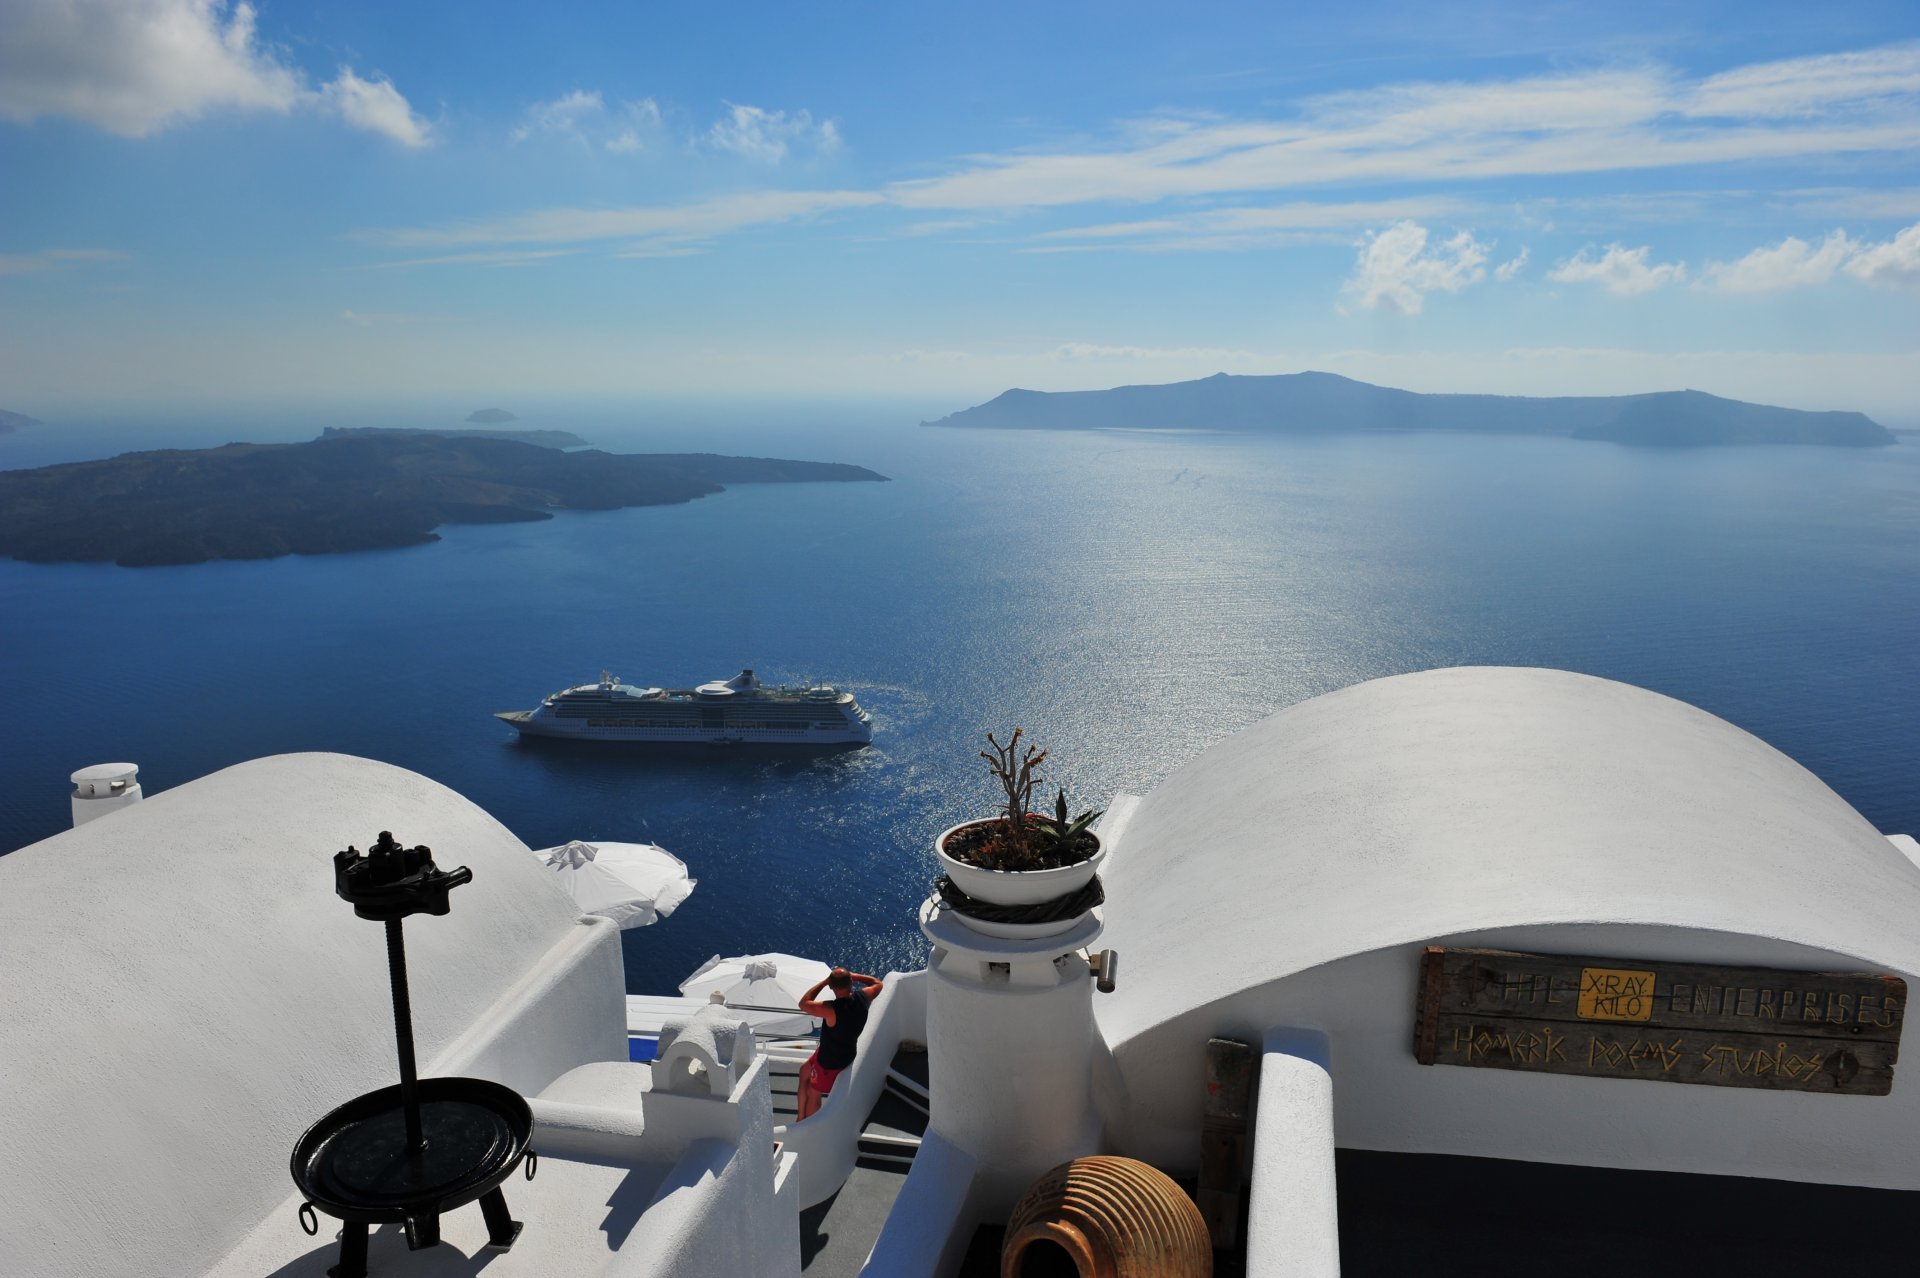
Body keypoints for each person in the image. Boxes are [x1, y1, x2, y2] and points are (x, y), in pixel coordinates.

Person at [794, 965, 883, 1120]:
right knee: (804, 1070)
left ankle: (805, 1124)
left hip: (829, 1064)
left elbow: (804, 1003)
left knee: (813, 1092)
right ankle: (800, 1116)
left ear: (832, 987)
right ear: (850, 983)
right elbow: (878, 984)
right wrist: (855, 975)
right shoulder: (862, 998)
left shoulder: (831, 1009)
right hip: (842, 1054)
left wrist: (823, 983)